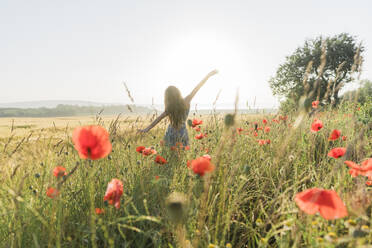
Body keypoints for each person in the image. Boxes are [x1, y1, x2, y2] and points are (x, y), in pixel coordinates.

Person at [138, 70, 218, 147]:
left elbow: (157, 120)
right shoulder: (186, 100)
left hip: (171, 133)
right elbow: (197, 88)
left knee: (170, 157)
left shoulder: (169, 108)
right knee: (182, 154)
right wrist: (209, 75)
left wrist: (146, 129)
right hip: (182, 133)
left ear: (167, 98)